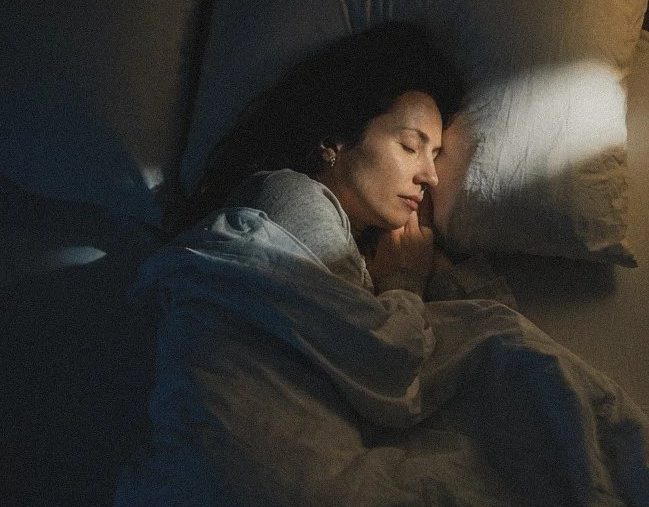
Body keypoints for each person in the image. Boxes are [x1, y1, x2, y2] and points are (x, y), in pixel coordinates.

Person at [177, 21, 514, 305]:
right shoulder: (294, 197)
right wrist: (403, 284)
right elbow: (368, 357)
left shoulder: (380, 247)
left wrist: (432, 267)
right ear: (332, 142)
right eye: (410, 146)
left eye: (435, 156)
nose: (431, 177)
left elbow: (495, 330)